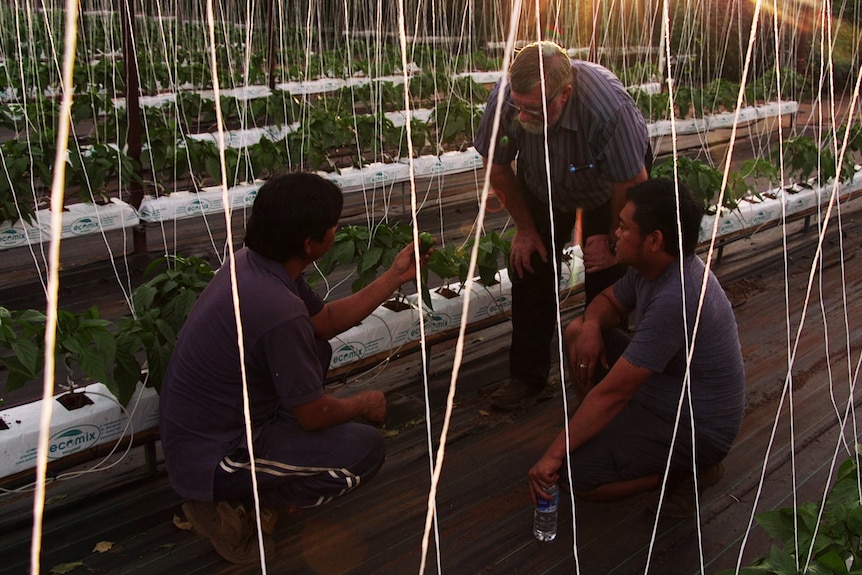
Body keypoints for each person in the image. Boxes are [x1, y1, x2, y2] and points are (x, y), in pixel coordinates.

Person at [159, 172, 428, 564]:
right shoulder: (277, 309)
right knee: (363, 451)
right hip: (215, 454)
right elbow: (314, 415)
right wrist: (365, 402)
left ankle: (244, 484)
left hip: (212, 426)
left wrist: (395, 276)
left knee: (316, 350)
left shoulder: (257, 265)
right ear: (309, 243)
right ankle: (234, 502)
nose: (337, 230)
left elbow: (327, 322)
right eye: (333, 226)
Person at [527, 178, 745, 515]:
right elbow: (607, 302)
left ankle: (687, 473)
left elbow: (615, 393)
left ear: (654, 240)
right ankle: (605, 432)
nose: (616, 232)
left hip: (695, 426)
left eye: (624, 227)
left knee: (575, 475)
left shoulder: (678, 297)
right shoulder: (652, 268)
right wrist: (592, 328)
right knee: (577, 332)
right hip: (666, 393)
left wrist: (552, 456)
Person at [473, 41, 652, 410]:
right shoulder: (507, 99)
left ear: (565, 93)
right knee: (529, 265)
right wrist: (524, 229)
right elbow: (499, 168)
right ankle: (527, 377)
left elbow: (631, 184)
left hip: (606, 188)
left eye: (533, 109)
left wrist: (614, 239)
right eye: (518, 107)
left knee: (609, 274)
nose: (522, 116)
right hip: (542, 185)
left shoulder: (607, 109)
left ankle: (605, 377)